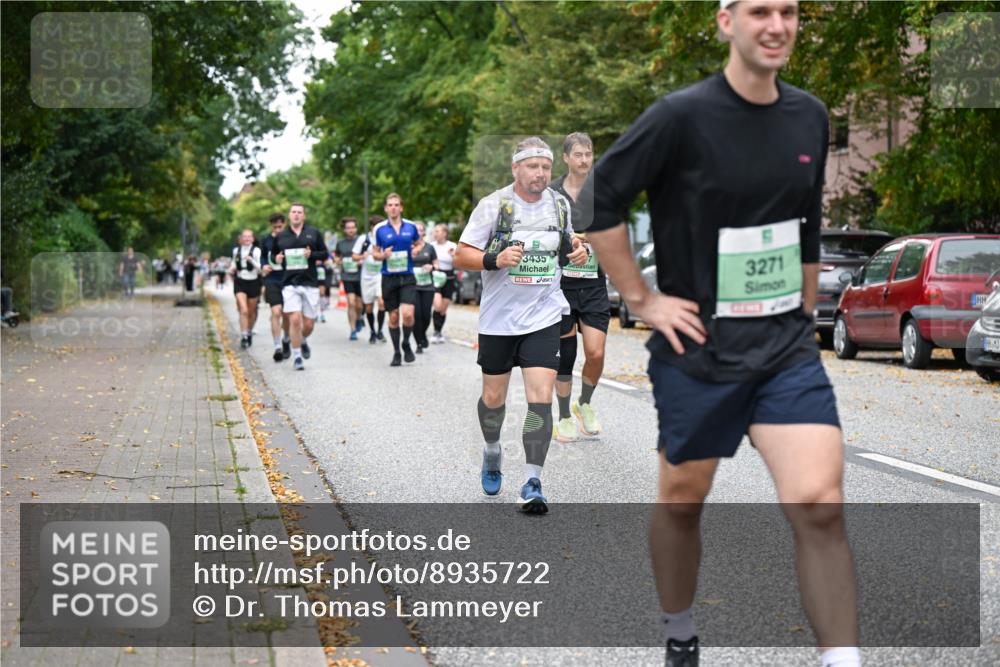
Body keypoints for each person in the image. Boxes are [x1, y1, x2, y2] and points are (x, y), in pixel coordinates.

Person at [583, 2, 859, 666]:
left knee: (819, 503)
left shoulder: (810, 116)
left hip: (785, 349)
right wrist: (642, 298)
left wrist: (806, 313)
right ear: (725, 22)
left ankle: (843, 658)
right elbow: (599, 198)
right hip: (698, 348)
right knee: (682, 499)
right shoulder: (681, 117)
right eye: (760, 11)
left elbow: (806, 228)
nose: (777, 25)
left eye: (789, 11)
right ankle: (680, 630)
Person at [454, 136, 588, 513]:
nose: (541, 173)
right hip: (499, 320)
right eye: (533, 166)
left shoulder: (559, 205)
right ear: (516, 168)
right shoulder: (494, 205)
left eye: (546, 167)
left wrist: (580, 249)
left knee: (540, 399)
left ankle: (532, 481)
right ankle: (492, 449)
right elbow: (461, 255)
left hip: (544, 315)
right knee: (494, 400)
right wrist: (495, 259)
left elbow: (568, 243)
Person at [550, 132, 610, 441]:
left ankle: (583, 403)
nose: (584, 159)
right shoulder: (552, 193)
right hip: (559, 284)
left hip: (594, 282)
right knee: (566, 354)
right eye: (578, 154)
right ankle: (562, 415)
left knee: (596, 353)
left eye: (588, 154)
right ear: (566, 158)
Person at [270, 203, 329, 371]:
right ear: (289, 215)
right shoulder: (281, 236)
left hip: (310, 283)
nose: (296, 215)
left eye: (299, 212)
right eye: (293, 212)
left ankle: (301, 340)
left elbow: (325, 254)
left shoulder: (313, 233)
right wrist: (277, 259)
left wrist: (312, 255)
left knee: (309, 324)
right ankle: (297, 357)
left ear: (304, 216)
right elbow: (273, 256)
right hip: (289, 284)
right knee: (295, 319)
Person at [373, 193, 420, 367]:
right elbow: (375, 253)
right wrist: (382, 255)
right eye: (390, 205)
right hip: (389, 278)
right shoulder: (379, 229)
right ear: (386, 208)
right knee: (393, 317)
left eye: (396, 204)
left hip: (407, 276)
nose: (393, 207)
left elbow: (419, 243)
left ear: (401, 207)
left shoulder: (411, 226)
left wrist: (416, 250)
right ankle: (396, 352)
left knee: (407, 314)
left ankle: (406, 342)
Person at [261, 213, 292, 362]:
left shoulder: (290, 238)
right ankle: (277, 347)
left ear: (284, 224)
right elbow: (262, 256)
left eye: (280, 226)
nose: (278, 229)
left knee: (286, 313)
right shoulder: (266, 240)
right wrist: (263, 265)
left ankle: (286, 339)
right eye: (275, 227)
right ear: (271, 226)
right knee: (276, 311)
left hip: (287, 278)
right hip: (272, 279)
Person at [353, 215, 388, 344]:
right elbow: (354, 256)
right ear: (372, 227)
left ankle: (380, 331)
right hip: (366, 277)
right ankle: (372, 331)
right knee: (368, 307)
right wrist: (363, 255)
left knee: (382, 302)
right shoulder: (364, 239)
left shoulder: (385, 239)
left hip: (381, 275)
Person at [229, 229, 263, 348]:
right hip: (240, 282)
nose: (247, 239)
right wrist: (231, 268)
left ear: (253, 239)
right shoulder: (236, 251)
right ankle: (243, 336)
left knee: (251, 312)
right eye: (245, 237)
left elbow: (260, 269)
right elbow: (234, 262)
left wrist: (252, 261)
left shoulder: (257, 251)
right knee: (243, 310)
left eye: (249, 237)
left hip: (253, 281)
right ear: (241, 239)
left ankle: (249, 332)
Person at [410, 222, 439, 351]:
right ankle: (419, 342)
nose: (418, 232)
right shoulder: (408, 247)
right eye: (416, 230)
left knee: (426, 315)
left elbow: (437, 265)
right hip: (412, 286)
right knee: (416, 315)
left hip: (427, 285)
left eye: (421, 230)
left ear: (423, 233)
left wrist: (431, 267)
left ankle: (422, 335)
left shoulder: (430, 248)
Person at [335, 217, 365, 340]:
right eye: (348, 228)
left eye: (353, 227)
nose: (351, 230)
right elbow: (337, 256)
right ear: (344, 230)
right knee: (351, 302)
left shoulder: (361, 241)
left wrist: (361, 260)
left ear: (356, 228)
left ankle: (359, 318)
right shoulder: (340, 243)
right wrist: (338, 260)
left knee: (359, 304)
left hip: (360, 276)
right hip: (347, 276)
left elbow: (367, 255)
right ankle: (353, 330)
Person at [429, 223, 458, 344]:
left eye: (438, 231)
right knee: (437, 305)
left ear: (445, 233)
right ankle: (436, 332)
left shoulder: (452, 246)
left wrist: (454, 256)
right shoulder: (431, 246)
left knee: (443, 309)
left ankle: (439, 332)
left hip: (449, 277)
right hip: (436, 277)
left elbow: (458, 264)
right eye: (435, 231)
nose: (436, 233)